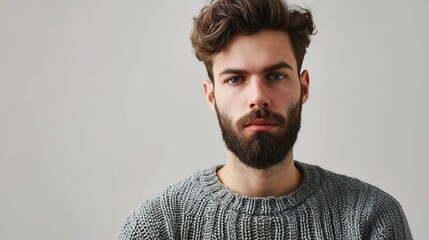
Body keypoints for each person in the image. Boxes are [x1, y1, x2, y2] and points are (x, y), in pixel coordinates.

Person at [118, 0, 412, 239]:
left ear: (304, 87)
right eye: (235, 79)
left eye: (275, 76)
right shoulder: (158, 228)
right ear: (211, 96)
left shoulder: (371, 218)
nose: (258, 97)